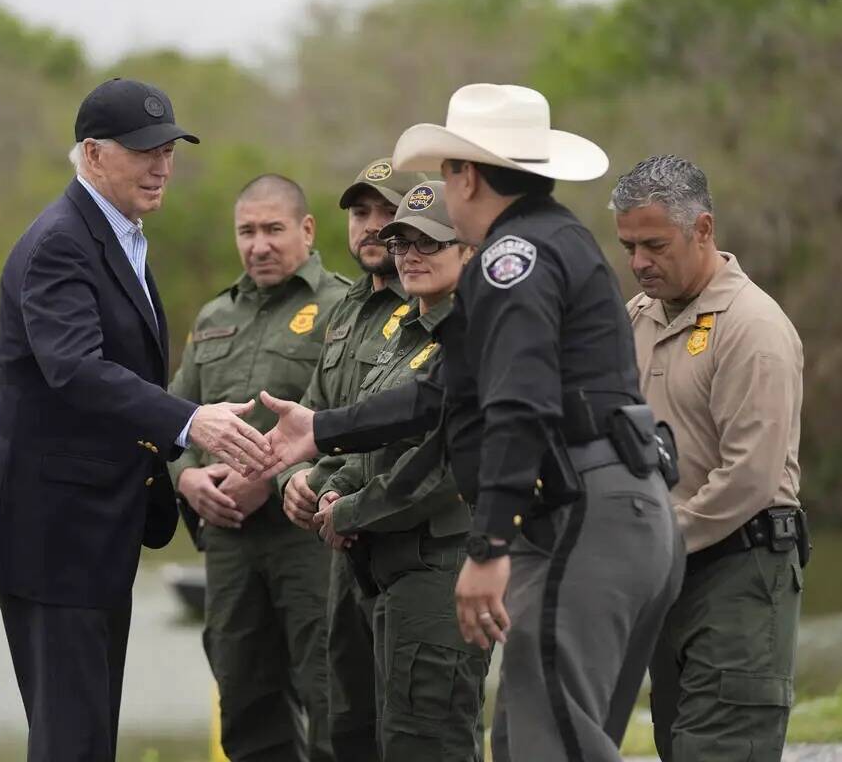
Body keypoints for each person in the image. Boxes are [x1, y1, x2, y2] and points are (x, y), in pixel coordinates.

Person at [258, 83, 684, 762]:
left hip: (585, 514)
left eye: (448, 171)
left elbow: (517, 406)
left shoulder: (512, 261)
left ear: (467, 175)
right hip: (609, 510)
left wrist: (486, 547)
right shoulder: (546, 242)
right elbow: (444, 394)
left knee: (552, 743)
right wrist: (323, 430)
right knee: (526, 741)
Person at [0, 78, 273, 762]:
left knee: (85, 740)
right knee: (73, 743)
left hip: (92, 533)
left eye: (171, 148)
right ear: (92, 155)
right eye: (144, 149)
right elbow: (76, 369)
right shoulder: (61, 242)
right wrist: (190, 423)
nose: (163, 165)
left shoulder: (119, 237)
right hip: (50, 536)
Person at [613, 155, 806, 761]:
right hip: (666, 571)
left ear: (702, 229)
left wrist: (653, 540)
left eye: (654, 244)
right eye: (628, 246)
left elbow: (749, 475)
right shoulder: (636, 318)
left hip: (739, 571)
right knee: (678, 743)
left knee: (721, 749)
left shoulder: (754, 326)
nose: (640, 262)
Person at [167, 174, 350, 762]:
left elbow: (353, 419)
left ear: (307, 229)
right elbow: (176, 416)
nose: (259, 245)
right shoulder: (215, 313)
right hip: (229, 545)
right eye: (247, 231)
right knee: (243, 698)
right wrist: (187, 479)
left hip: (309, 539)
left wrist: (264, 479)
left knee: (331, 697)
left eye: (273, 229)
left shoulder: (343, 306)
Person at [313, 181, 491, 760]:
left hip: (442, 566)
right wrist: (333, 485)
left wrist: (349, 511)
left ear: (469, 251)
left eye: (429, 243)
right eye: (400, 241)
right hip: (383, 569)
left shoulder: (478, 338)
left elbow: (443, 468)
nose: (410, 255)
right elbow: (373, 440)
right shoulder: (402, 333)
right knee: (371, 736)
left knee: (428, 742)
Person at [275, 157, 421, 761]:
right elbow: (312, 417)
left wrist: (339, 491)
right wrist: (293, 480)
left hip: (410, 545)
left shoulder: (431, 308)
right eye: (361, 213)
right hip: (343, 554)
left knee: (419, 731)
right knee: (347, 725)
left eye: (388, 213)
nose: (372, 227)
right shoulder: (346, 312)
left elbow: (419, 436)